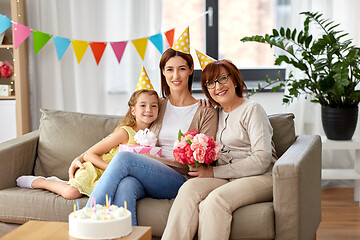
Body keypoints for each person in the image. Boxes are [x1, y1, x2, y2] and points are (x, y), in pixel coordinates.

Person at [68, 48, 218, 225]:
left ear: (191, 70)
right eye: (169, 69)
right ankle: (121, 235)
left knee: (124, 158)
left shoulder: (205, 111)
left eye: (182, 68)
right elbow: (124, 130)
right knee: (126, 184)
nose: (175, 75)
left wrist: (148, 159)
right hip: (145, 174)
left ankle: (87, 220)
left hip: (178, 178)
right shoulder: (157, 105)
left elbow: (204, 158)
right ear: (163, 72)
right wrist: (79, 157)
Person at [162, 59, 278, 240]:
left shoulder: (252, 110)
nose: (218, 87)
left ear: (235, 80)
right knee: (188, 189)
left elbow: (262, 159)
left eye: (223, 79)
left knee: (214, 201)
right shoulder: (216, 113)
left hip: (261, 176)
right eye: (210, 83)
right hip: (227, 178)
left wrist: (214, 172)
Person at [16, 89, 160, 200]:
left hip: (117, 177)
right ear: (133, 110)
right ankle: (42, 181)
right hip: (95, 169)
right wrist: (112, 168)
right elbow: (90, 154)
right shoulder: (125, 133)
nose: (149, 110)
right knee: (71, 192)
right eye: (143, 105)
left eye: (154, 106)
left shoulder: (155, 137)